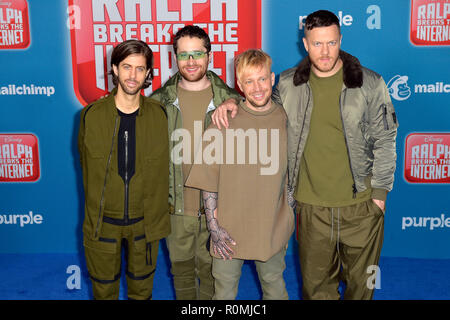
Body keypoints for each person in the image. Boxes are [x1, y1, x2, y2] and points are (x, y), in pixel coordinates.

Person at [211, 10, 398, 300]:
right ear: (305, 43)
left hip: (362, 207)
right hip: (311, 209)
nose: (325, 52)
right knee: (315, 291)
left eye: (331, 43)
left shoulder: (370, 83)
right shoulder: (288, 84)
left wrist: (379, 195)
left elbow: (386, 139)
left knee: (363, 289)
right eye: (317, 44)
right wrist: (232, 101)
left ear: (340, 40)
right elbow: (260, 105)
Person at [185, 49, 294, 300]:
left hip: (271, 228)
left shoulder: (286, 118)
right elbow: (208, 181)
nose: (257, 87)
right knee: (223, 293)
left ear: (272, 78)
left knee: (275, 288)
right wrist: (214, 228)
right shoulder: (223, 120)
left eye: (262, 79)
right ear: (239, 84)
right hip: (228, 231)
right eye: (249, 81)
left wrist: (287, 216)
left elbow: (293, 172)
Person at [150, 25, 241, 300]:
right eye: (184, 54)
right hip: (175, 210)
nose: (191, 62)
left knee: (215, 278)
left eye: (197, 54)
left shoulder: (233, 102)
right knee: (182, 276)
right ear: (174, 57)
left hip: (219, 211)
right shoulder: (157, 104)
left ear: (210, 56)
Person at [78, 39, 169, 300]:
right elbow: (84, 162)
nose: (133, 75)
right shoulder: (90, 115)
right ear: (115, 69)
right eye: (127, 67)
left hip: (145, 223)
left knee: (142, 293)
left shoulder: (159, 115)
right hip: (103, 224)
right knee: (103, 292)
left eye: (140, 69)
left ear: (148, 73)